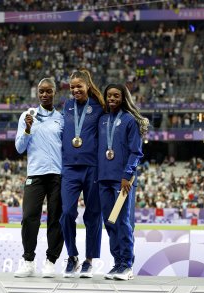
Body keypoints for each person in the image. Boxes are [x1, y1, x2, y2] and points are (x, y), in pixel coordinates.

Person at [98, 84, 149, 281]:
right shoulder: (102, 120)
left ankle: (127, 265)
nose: (112, 98)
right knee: (110, 223)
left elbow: (136, 151)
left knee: (123, 222)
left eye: (116, 95)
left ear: (123, 98)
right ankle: (117, 263)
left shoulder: (129, 120)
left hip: (122, 182)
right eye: (109, 95)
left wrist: (127, 175)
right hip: (104, 179)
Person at [14, 78, 64, 278]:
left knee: (55, 219)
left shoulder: (60, 118)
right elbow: (19, 148)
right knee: (29, 218)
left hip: (57, 175)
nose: (45, 94)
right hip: (35, 174)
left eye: (48, 91)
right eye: (41, 91)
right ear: (37, 93)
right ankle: (28, 261)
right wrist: (27, 129)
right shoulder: (27, 115)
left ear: (54, 93)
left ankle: (51, 261)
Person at [60, 69, 106, 278]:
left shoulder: (99, 107)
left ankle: (89, 260)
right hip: (69, 167)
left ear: (87, 86)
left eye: (79, 86)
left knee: (93, 215)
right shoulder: (67, 106)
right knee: (67, 213)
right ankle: (72, 256)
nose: (75, 90)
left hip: (92, 167)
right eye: (72, 87)